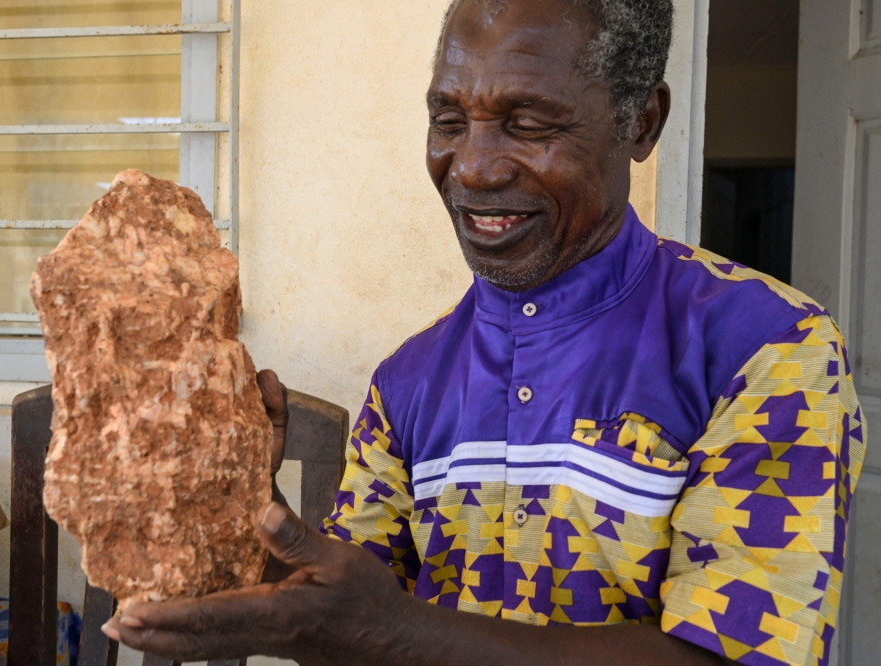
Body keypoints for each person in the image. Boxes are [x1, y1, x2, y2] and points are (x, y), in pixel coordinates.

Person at [103, 0, 866, 664]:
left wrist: (395, 635)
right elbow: (347, 618)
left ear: (642, 121)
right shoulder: (407, 380)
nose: (470, 166)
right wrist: (244, 507)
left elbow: (737, 658)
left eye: (527, 123)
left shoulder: (764, 350)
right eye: (447, 120)